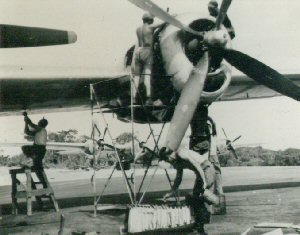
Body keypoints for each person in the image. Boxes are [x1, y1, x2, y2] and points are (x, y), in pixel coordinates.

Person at [160, 147, 219, 234]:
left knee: (199, 199)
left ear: (169, 155)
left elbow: (197, 165)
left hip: (207, 169)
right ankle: (199, 226)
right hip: (201, 173)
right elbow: (178, 179)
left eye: (167, 159)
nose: (169, 162)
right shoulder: (177, 162)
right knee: (195, 199)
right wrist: (170, 193)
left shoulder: (181, 153)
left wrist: (204, 181)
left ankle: (201, 227)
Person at [133, 13, 161, 105]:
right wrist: (172, 16)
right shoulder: (150, 27)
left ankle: (133, 98)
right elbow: (163, 23)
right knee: (147, 76)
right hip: (147, 51)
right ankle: (148, 98)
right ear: (150, 20)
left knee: (136, 77)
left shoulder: (138, 29)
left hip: (138, 51)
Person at [22, 112, 48, 187]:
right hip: (40, 150)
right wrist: (26, 123)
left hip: (38, 149)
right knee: (38, 168)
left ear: (42, 123)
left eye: (40, 121)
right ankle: (44, 184)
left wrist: (26, 117)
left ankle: (32, 157)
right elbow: (27, 132)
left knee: (25, 148)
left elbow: (32, 124)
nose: (38, 122)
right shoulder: (38, 131)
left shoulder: (42, 129)